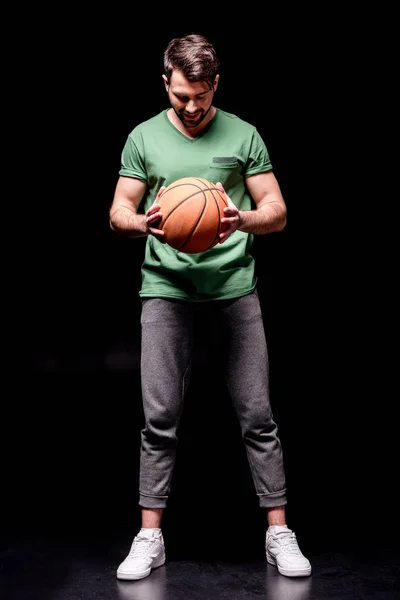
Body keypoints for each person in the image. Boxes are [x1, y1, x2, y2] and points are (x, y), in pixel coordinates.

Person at [109, 33, 312, 581]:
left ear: (214, 84)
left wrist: (239, 219)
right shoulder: (143, 137)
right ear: (166, 83)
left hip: (233, 287)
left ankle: (278, 533)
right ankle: (150, 536)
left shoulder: (243, 134)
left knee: (257, 414)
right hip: (165, 290)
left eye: (200, 96)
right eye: (180, 97)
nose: (192, 108)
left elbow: (277, 209)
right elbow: (118, 212)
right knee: (159, 418)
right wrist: (143, 221)